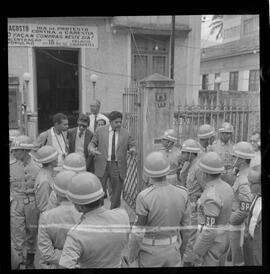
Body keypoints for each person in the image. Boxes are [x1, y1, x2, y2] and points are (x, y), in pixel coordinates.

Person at [128, 151, 190, 267]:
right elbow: (186, 230)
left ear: (147, 173)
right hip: (173, 251)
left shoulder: (144, 197)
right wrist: (181, 251)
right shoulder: (182, 193)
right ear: (167, 171)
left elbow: (138, 233)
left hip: (150, 254)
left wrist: (132, 255)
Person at [59, 172, 130, 268]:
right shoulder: (122, 216)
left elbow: (65, 265)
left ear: (78, 206)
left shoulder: (76, 235)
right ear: (101, 197)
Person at [192, 152, 234, 266]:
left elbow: (210, 229)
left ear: (204, 174)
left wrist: (197, 250)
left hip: (212, 243)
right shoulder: (227, 187)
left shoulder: (210, 194)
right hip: (225, 237)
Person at [88, 111, 136, 209]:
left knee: (116, 192)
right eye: (116, 122)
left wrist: (132, 150)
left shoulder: (126, 133)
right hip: (102, 164)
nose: (119, 124)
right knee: (99, 191)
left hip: (117, 166)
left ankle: (114, 212)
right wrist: (92, 149)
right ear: (110, 121)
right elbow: (92, 143)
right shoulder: (100, 131)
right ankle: (98, 211)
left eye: (120, 122)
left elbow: (132, 145)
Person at [38, 170, 81, 268]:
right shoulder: (87, 215)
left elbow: (47, 254)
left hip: (57, 264)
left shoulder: (46, 217)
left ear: (56, 194)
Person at [10, 135, 40, 269]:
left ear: (25, 150)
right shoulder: (10, 166)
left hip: (32, 204)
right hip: (16, 204)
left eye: (17, 150)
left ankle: (30, 260)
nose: (13, 153)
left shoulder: (38, 166)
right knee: (17, 234)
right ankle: (18, 261)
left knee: (32, 232)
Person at [229, 141, 255, 266]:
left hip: (238, 225)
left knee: (238, 259)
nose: (233, 158)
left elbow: (245, 208)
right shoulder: (243, 173)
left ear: (242, 159)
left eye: (235, 156)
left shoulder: (244, 180)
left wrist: (231, 220)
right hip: (239, 223)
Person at [181, 139, 204, 266]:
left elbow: (206, 188)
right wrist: (183, 171)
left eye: (184, 152)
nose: (182, 155)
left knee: (191, 236)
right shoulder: (190, 165)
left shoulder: (198, 167)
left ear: (191, 153)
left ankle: (189, 262)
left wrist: (198, 200)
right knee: (188, 234)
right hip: (190, 204)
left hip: (196, 206)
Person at [243, 166, 261, 266]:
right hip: (249, 243)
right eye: (248, 181)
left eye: (252, 183)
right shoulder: (255, 195)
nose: (248, 185)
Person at [33, 146, 58, 214]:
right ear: (51, 160)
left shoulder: (48, 174)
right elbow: (44, 207)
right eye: (55, 158)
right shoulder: (44, 181)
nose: (57, 159)